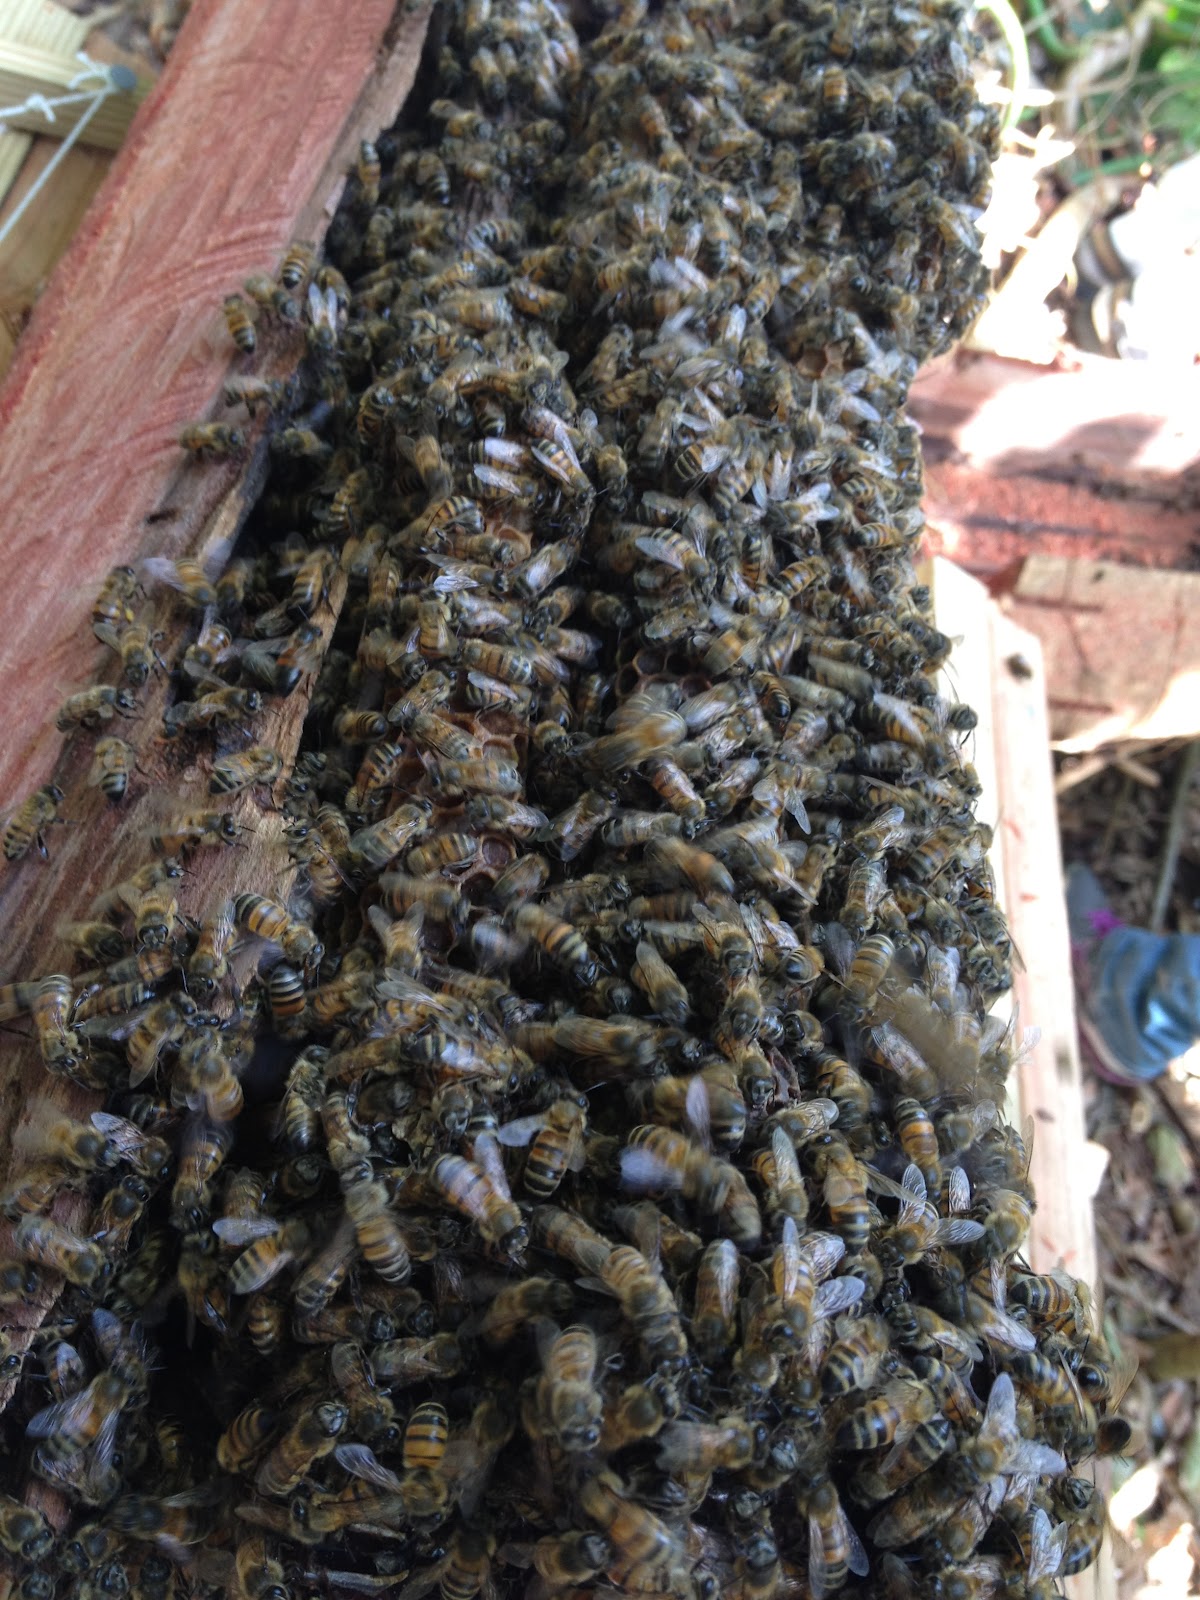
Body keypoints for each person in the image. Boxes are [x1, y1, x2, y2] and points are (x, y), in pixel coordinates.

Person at [1067, 862, 1200, 1084]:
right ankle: (1146, 1039)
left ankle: (1112, 981)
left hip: (1113, 1012)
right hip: (1142, 1059)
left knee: (1075, 879)